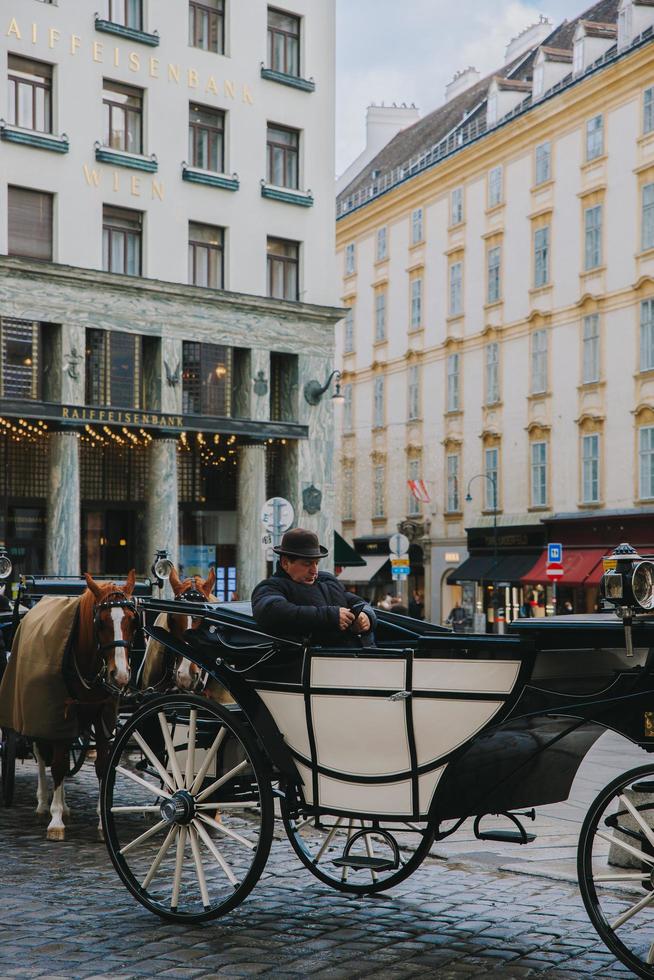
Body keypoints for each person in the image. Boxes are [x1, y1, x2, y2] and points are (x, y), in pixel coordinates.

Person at [252, 528, 376, 647]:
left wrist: (365, 617)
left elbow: (358, 602)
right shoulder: (271, 587)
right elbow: (272, 611)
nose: (314, 571)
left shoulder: (328, 581)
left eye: (316, 563)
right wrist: (330, 617)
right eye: (307, 564)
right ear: (285, 563)